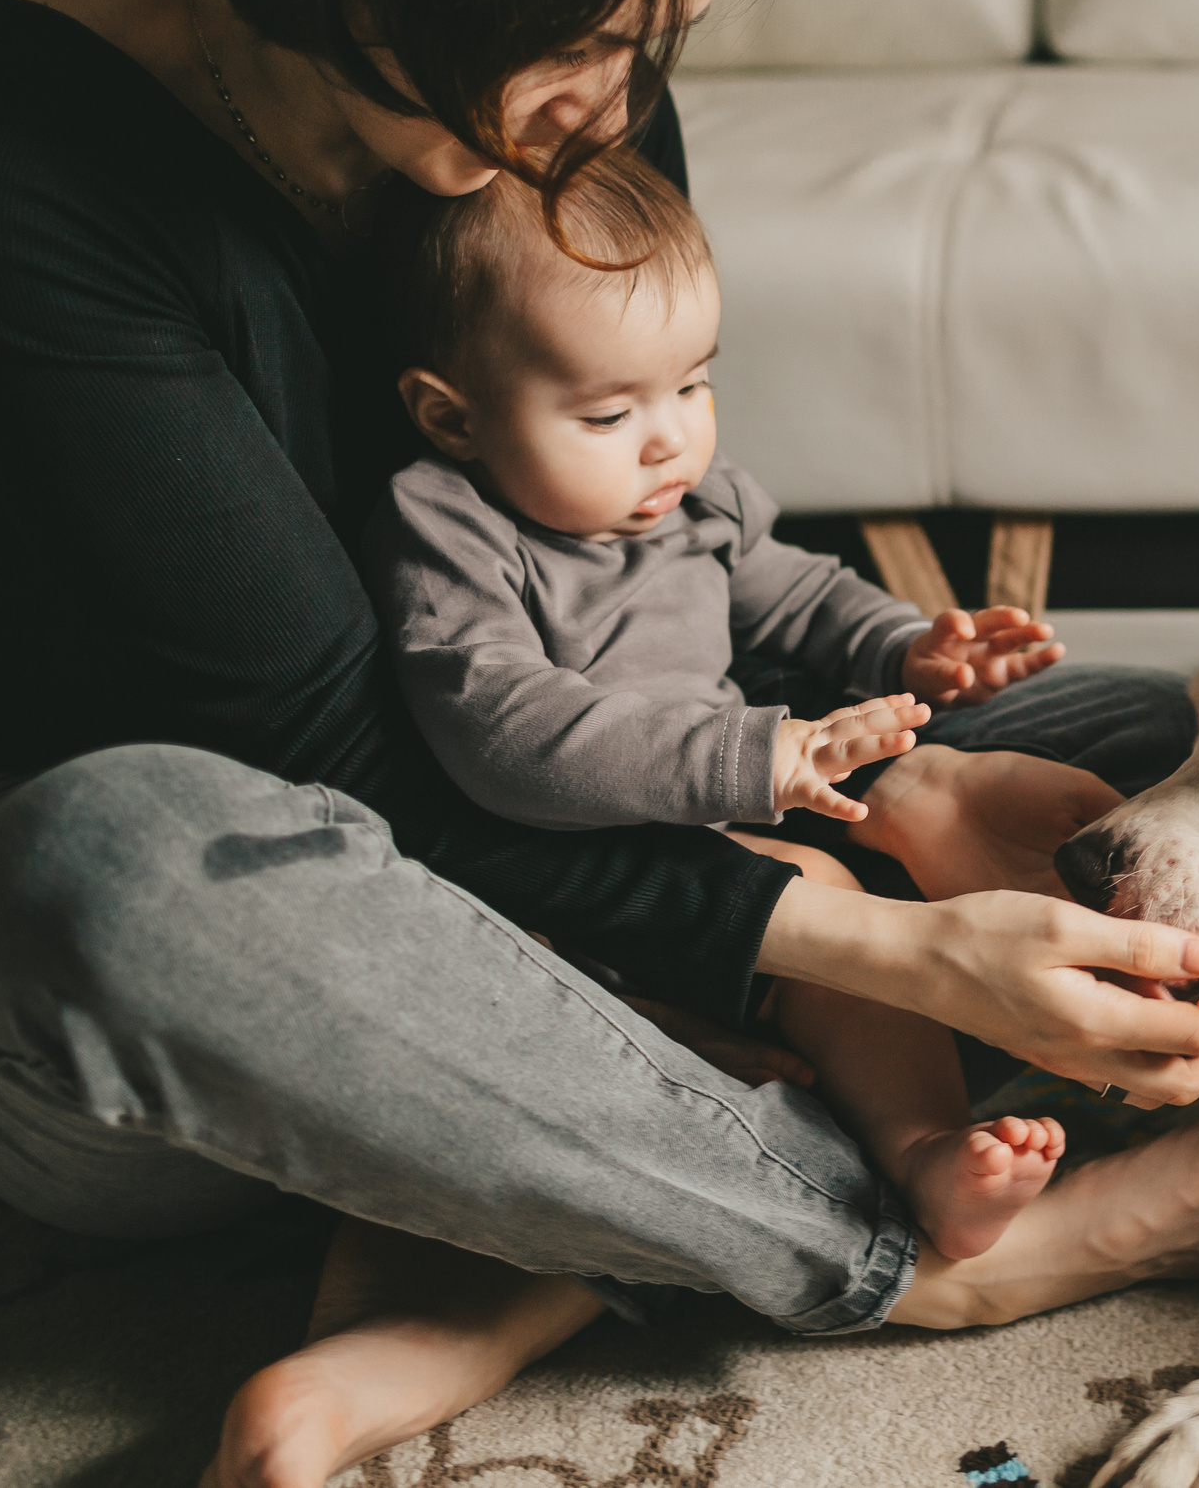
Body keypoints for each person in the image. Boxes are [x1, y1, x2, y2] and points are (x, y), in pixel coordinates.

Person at [0, 0, 1199, 1485]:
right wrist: (891, 943)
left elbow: (659, 571)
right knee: (103, 860)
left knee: (1178, 762)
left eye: (656, 42)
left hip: (619, 844)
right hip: (264, 969)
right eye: (568, 39)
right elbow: (346, 769)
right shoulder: (19, 170)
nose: (609, 105)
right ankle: (909, 1259)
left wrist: (907, 772)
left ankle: (583, 1226)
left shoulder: (567, 108)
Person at [366, 147, 1087, 1263]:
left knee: (1057, 783)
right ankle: (853, 1140)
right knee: (833, 903)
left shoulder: (688, 497)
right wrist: (754, 756)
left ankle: (935, 1154)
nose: (671, 438)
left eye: (694, 385)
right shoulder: (450, 523)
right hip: (560, 876)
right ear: (455, 420)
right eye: (607, 415)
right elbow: (500, 729)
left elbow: (796, 593)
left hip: (733, 819)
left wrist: (908, 646)